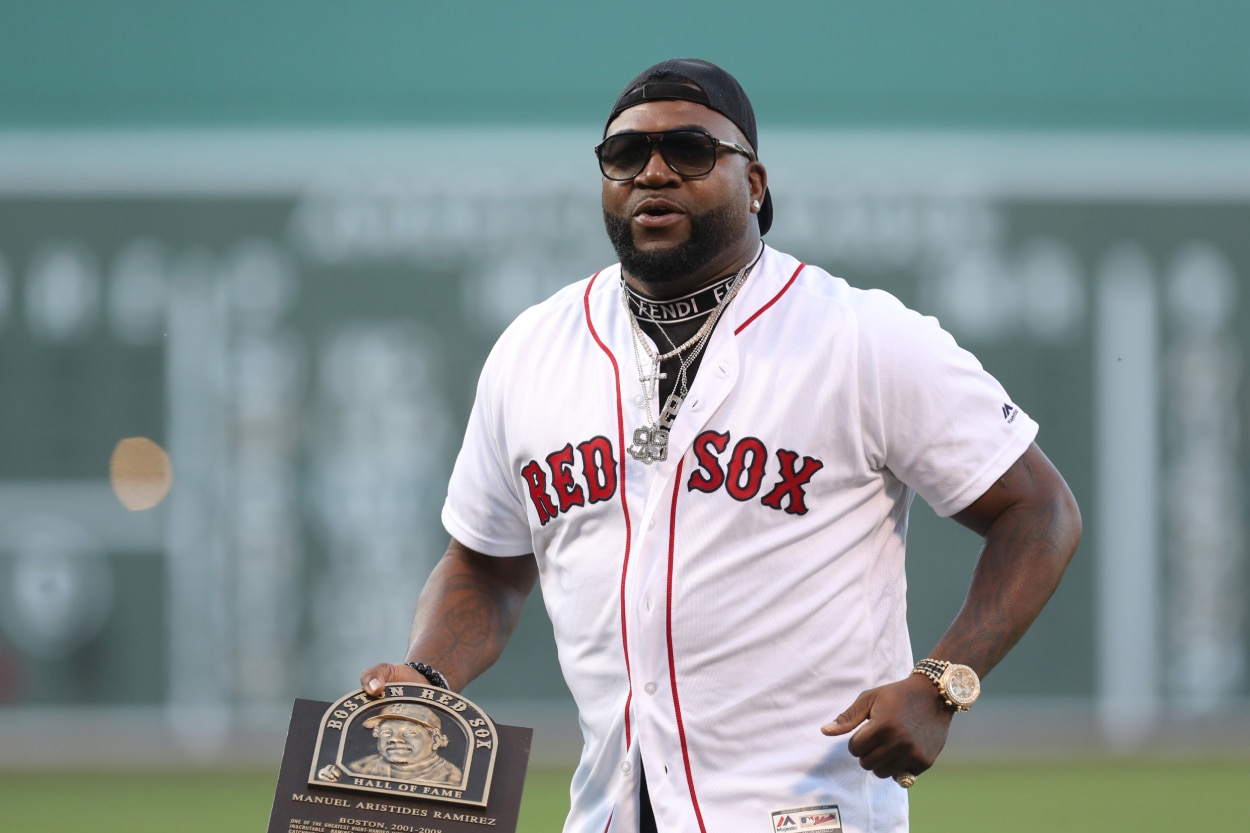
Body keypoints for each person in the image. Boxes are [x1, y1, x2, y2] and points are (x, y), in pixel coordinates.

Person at [361, 58, 1081, 833]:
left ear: (756, 183)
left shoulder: (860, 336)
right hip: (609, 812)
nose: (654, 172)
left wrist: (942, 681)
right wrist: (429, 675)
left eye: (692, 151)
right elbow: (486, 564)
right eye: (625, 154)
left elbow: (1039, 510)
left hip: (808, 810)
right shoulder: (533, 350)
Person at [344, 702, 464, 784]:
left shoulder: (452, 779)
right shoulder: (360, 768)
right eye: (386, 732)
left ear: (436, 740)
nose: (395, 739)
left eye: (410, 733)